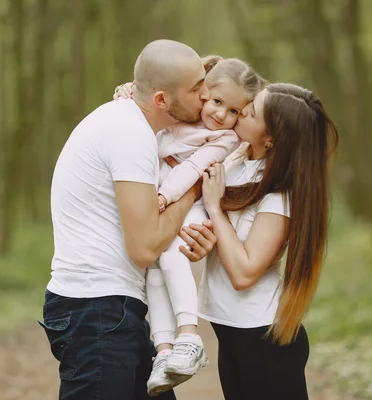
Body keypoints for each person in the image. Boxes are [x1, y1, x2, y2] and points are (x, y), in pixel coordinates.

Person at [39, 39, 216, 400]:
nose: (207, 95)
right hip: (95, 312)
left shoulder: (131, 121)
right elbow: (145, 247)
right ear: (162, 100)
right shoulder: (130, 133)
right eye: (197, 88)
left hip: (110, 310)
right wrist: (194, 190)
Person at [114, 56, 267, 396]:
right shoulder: (181, 117)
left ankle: (190, 334)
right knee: (154, 270)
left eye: (233, 112)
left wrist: (163, 198)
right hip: (166, 200)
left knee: (172, 256)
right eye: (215, 102)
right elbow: (159, 97)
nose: (221, 116)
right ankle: (165, 351)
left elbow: (193, 168)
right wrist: (129, 94)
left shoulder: (225, 139)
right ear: (204, 93)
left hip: (193, 203)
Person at [190, 83, 339, 399]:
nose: (242, 109)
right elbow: (209, 85)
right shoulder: (237, 157)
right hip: (232, 333)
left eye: (252, 111)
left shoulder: (279, 197)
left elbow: (244, 273)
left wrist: (215, 208)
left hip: (262, 340)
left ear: (270, 139)